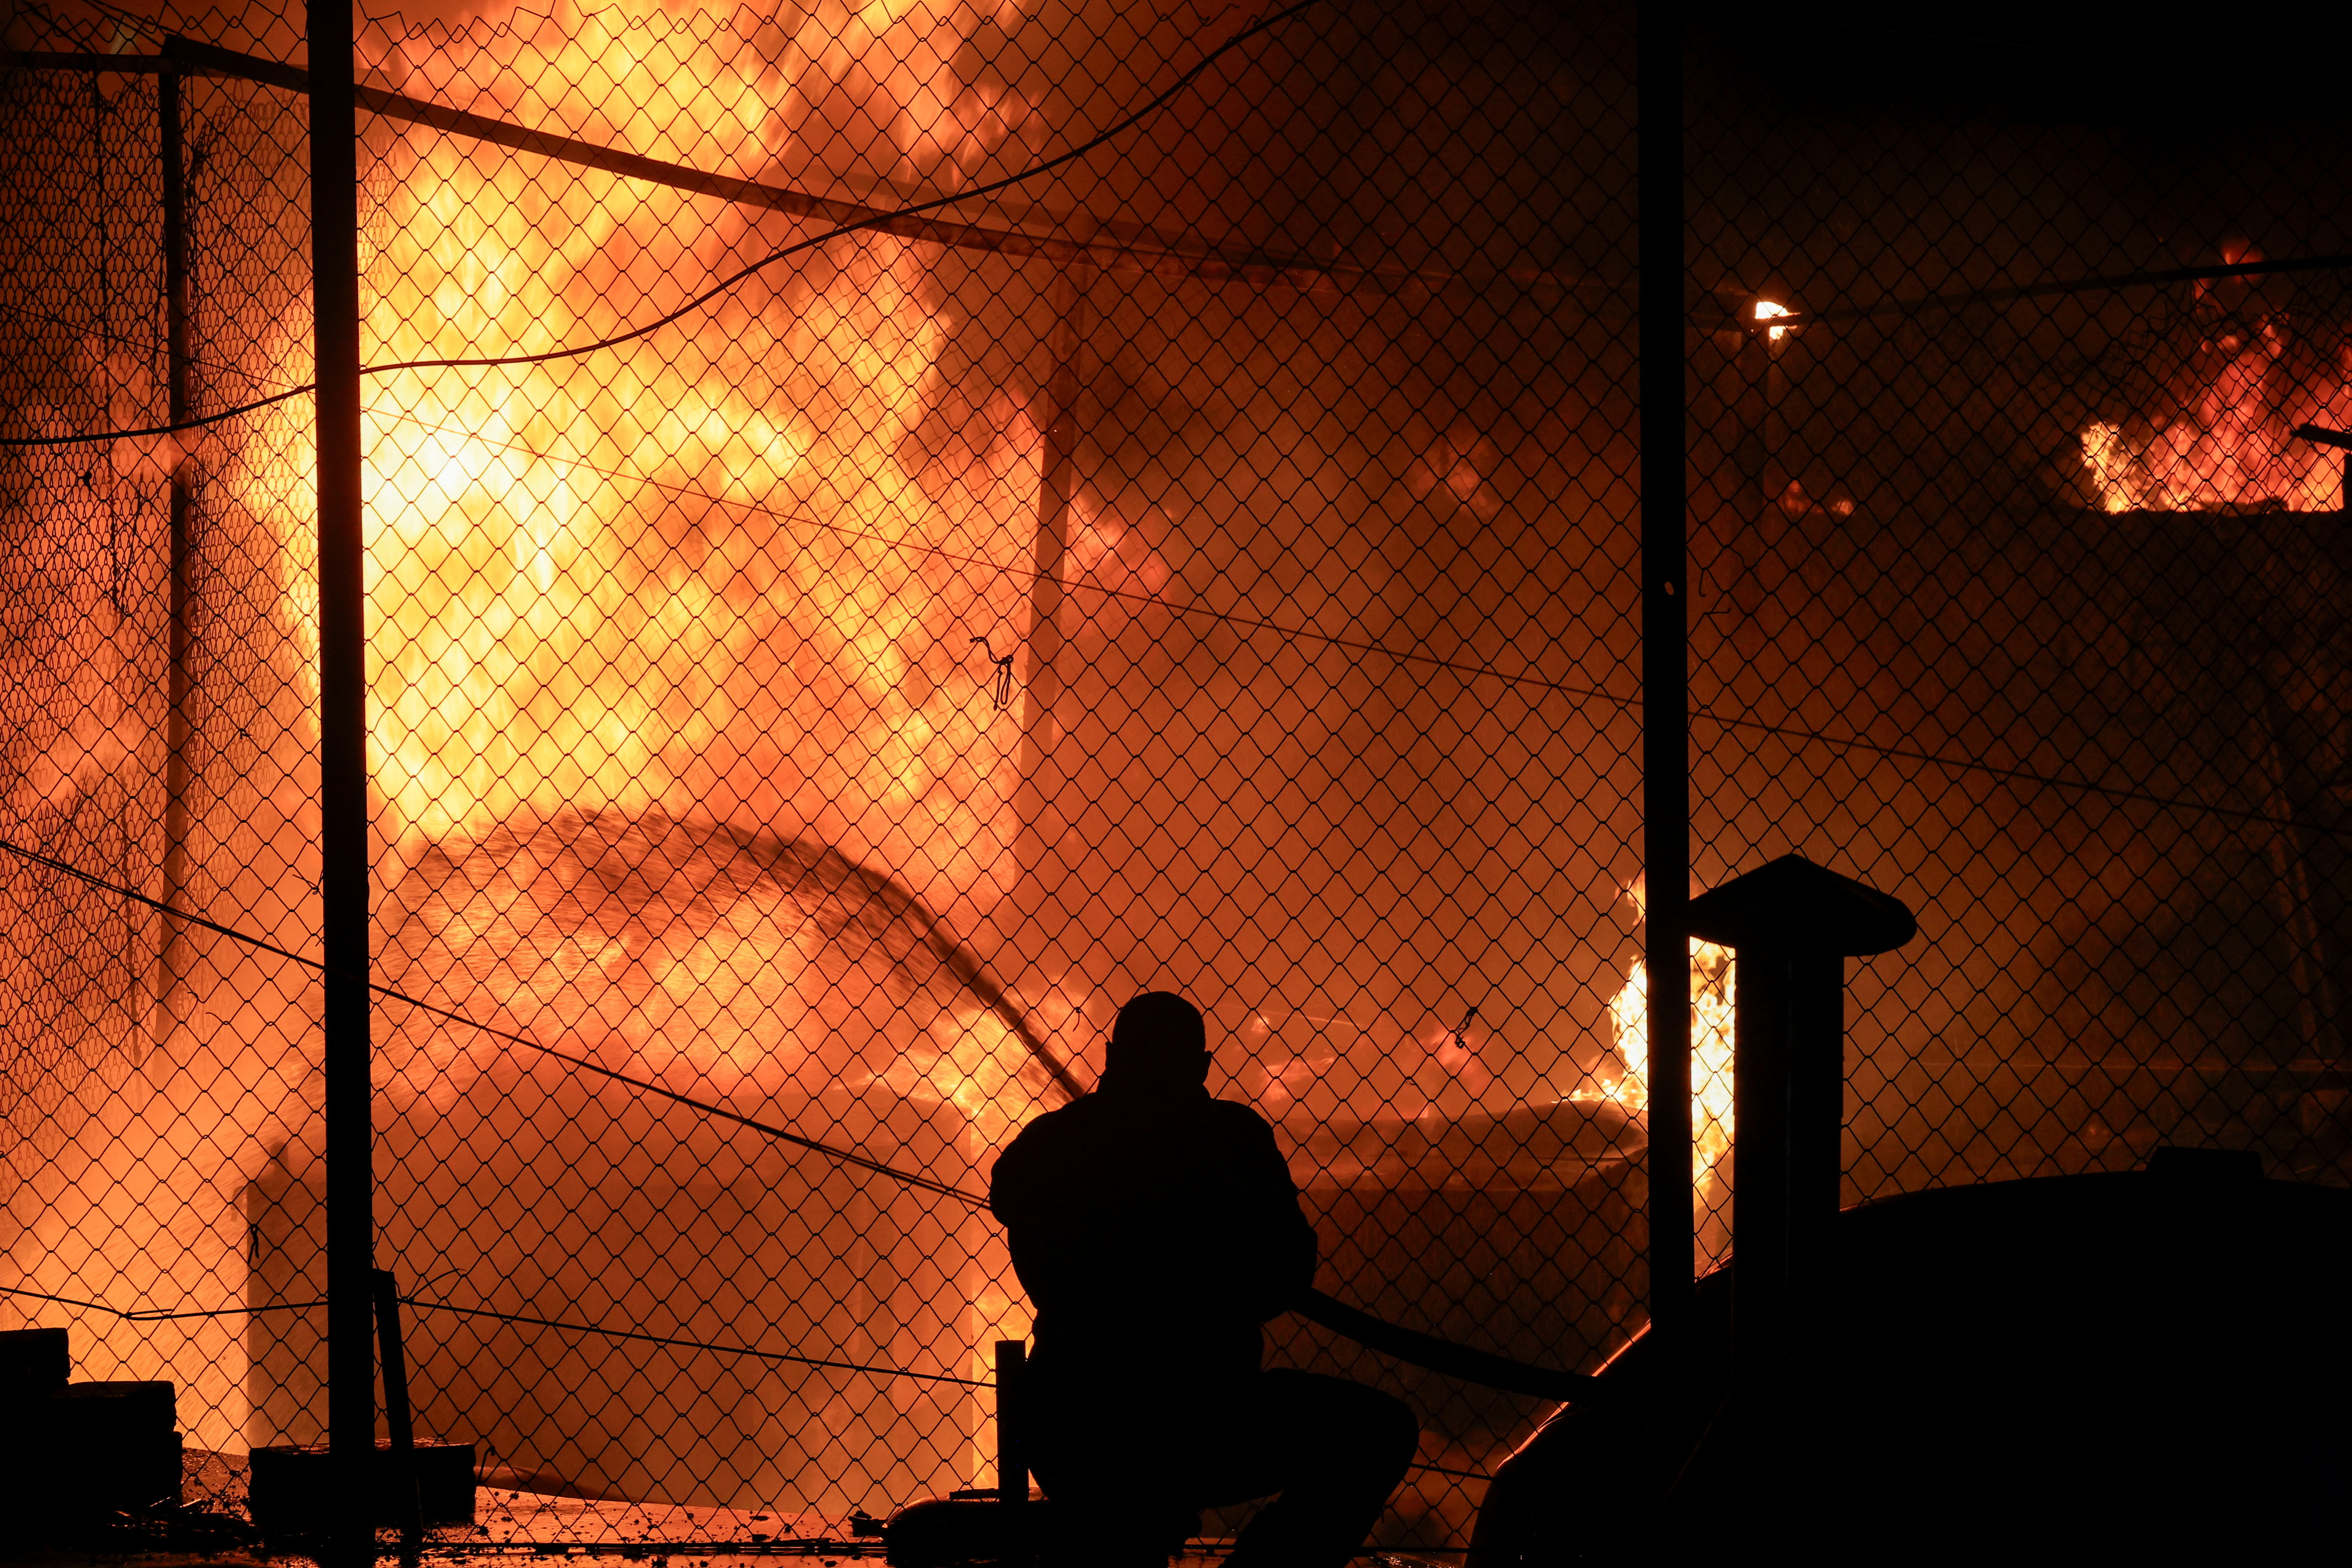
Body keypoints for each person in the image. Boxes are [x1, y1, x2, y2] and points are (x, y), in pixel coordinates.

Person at [988, 991, 1418, 1568]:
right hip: (1201, 1422)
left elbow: (1008, 1192)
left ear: (1112, 1056)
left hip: (1072, 1427)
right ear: (1202, 1067)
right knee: (1377, 1430)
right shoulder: (1232, 1140)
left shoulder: (1056, 1141)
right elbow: (1286, 1272)